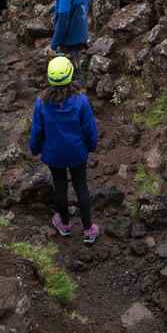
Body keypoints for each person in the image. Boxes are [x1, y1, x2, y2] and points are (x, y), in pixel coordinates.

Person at [28, 55, 100, 243]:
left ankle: (65, 225)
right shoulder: (81, 101)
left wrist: (34, 148)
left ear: (49, 77)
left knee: (60, 186)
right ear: (70, 74)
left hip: (54, 154)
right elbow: (89, 128)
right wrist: (91, 146)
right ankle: (88, 230)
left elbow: (37, 130)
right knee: (81, 187)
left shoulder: (41, 103)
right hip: (77, 153)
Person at [47, 0, 90, 83]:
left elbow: (63, 21)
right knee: (77, 65)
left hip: (68, 38)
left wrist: (53, 45)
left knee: (64, 74)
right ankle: (81, 90)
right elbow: (86, 5)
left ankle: (70, 97)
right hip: (81, 32)